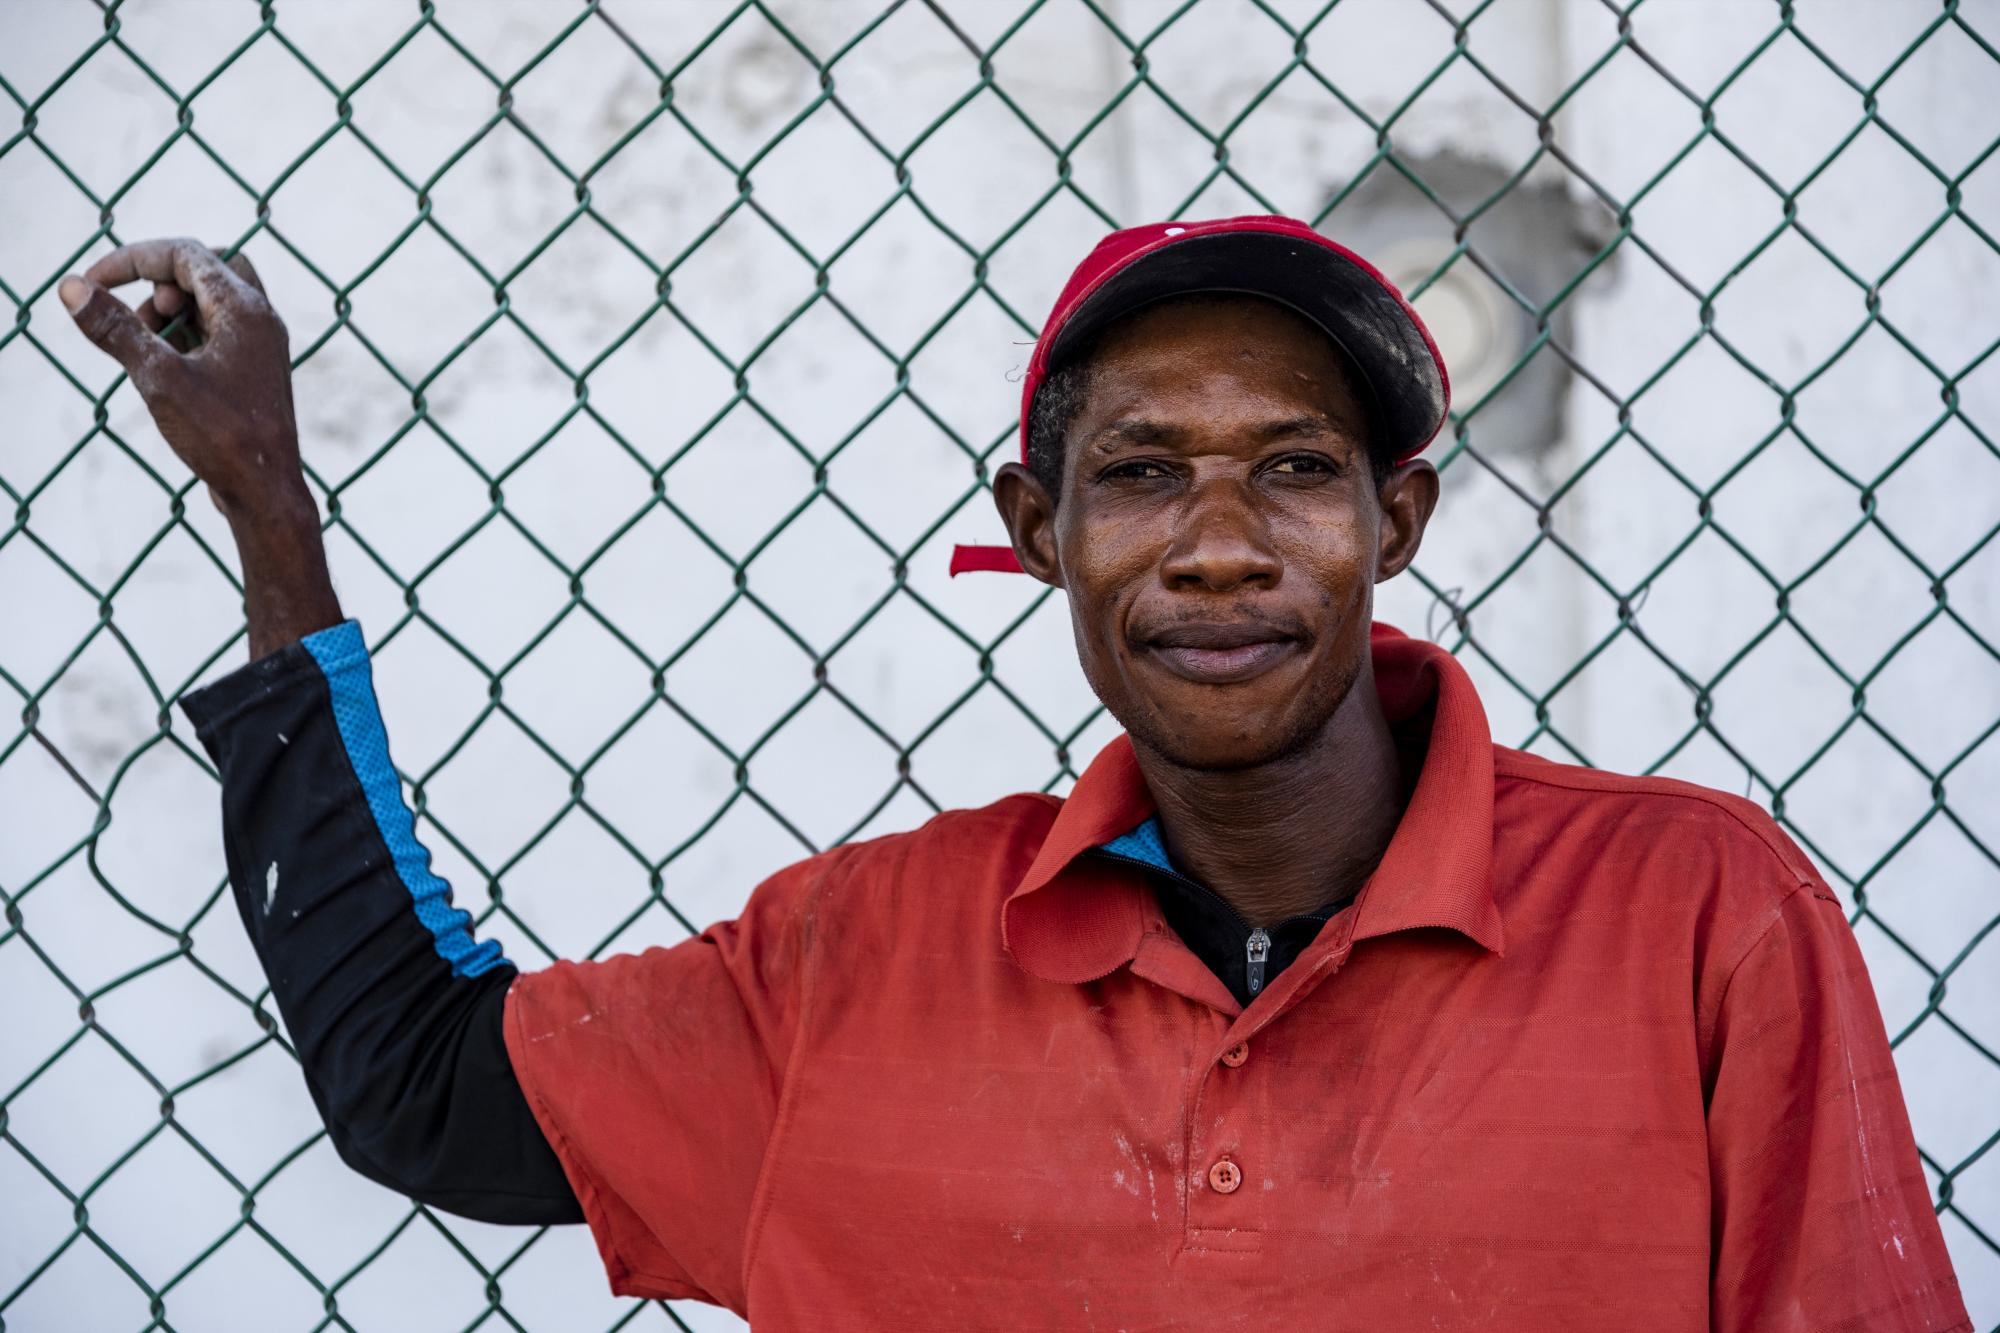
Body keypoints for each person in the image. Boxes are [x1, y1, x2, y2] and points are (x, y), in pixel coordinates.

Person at [57, 216, 1969, 1331]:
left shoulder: (1700, 913)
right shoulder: (856, 964)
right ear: (1036, 526)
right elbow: (419, 1082)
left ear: (1396, 517)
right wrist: (268, 508)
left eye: (1292, 468)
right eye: (1140, 472)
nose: (1219, 542)